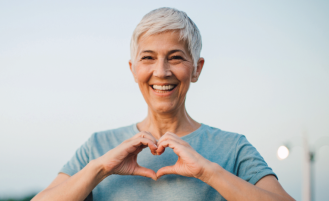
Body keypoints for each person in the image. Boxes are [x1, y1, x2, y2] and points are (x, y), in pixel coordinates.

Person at [32, 7, 295, 201]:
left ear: (197, 69)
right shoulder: (98, 148)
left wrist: (209, 172)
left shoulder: (233, 148)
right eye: (148, 57)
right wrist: (100, 169)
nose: (161, 71)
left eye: (176, 57)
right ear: (133, 69)